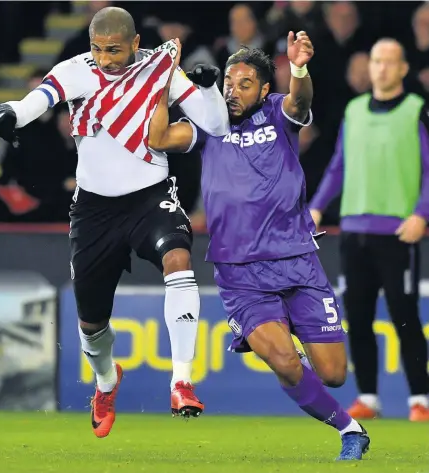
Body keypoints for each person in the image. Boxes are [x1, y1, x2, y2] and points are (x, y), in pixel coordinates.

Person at [0, 7, 228, 438]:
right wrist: (9, 114)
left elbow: (217, 124)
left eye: (114, 50)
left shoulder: (161, 68)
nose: (105, 59)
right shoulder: (76, 70)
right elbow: (37, 100)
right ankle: (106, 382)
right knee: (91, 323)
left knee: (179, 259)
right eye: (98, 49)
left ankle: (181, 381)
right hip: (94, 212)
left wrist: (209, 90)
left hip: (150, 198)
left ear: (136, 44)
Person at [148, 33, 371, 461]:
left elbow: (301, 102)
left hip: (297, 261)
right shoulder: (209, 120)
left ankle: (286, 329)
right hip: (240, 271)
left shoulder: (279, 113)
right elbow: (158, 137)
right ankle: (350, 429)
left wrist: (300, 68)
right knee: (285, 362)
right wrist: (163, 84)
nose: (232, 90)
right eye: (228, 82)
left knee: (334, 373)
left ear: (264, 89)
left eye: (244, 83)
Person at [309, 38, 429, 422]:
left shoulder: (417, 110)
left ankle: (421, 400)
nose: (381, 68)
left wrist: (422, 214)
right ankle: (369, 398)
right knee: (357, 318)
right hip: (354, 231)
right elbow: (338, 166)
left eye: (389, 62)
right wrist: (315, 206)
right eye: (376, 60)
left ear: (403, 69)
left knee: (405, 317)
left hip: (398, 233)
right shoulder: (354, 110)